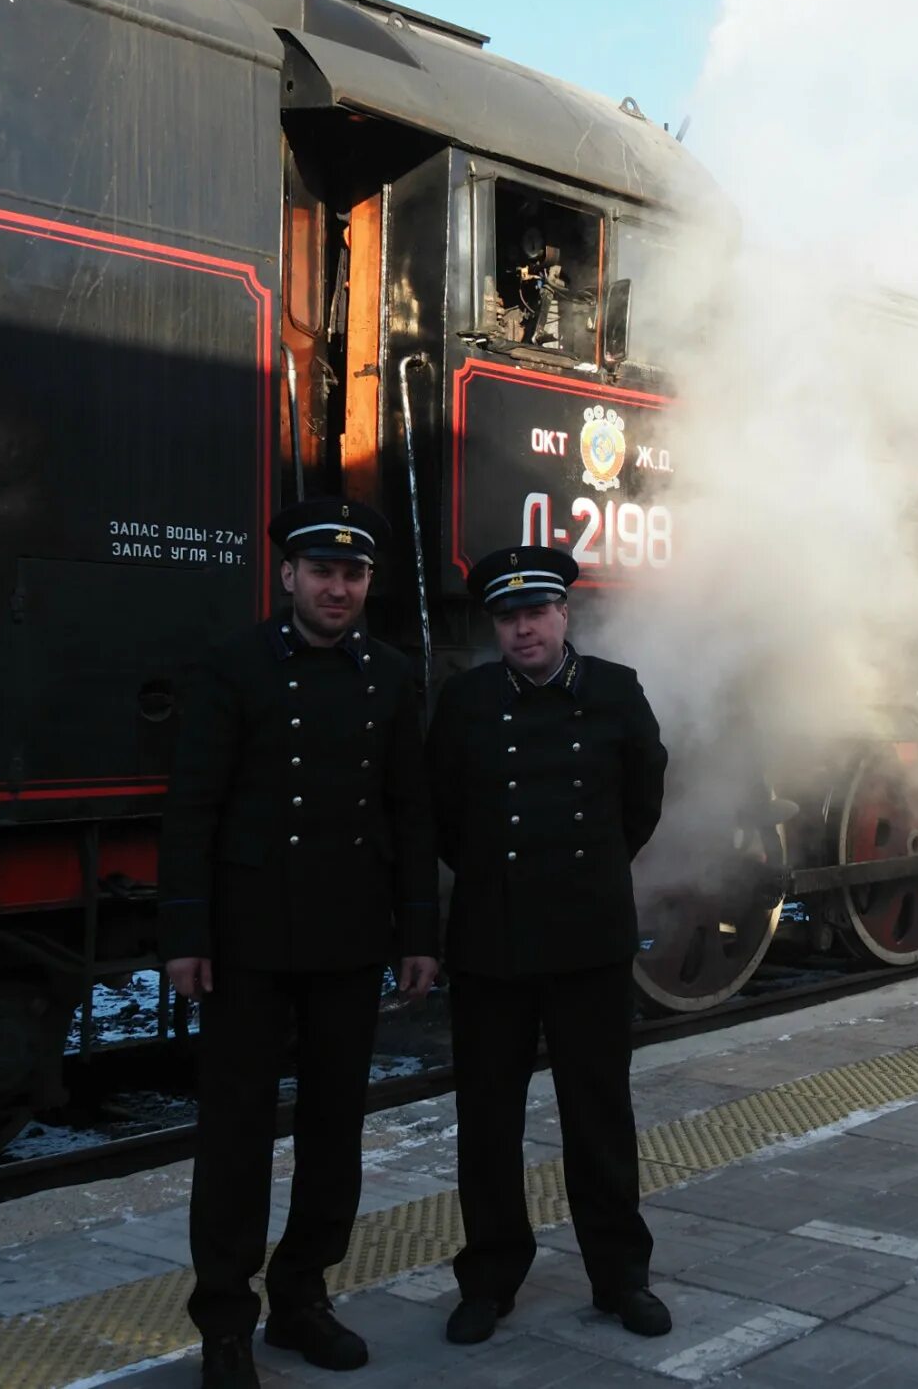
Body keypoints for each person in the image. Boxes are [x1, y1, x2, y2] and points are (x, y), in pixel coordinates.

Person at [158, 498, 440, 1389]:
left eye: (353, 574)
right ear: (288, 577)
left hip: (349, 938)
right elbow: (191, 809)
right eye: (322, 571)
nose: (338, 587)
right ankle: (224, 1323)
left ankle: (303, 1297)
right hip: (245, 941)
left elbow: (410, 812)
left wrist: (417, 933)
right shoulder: (232, 667)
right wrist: (185, 934)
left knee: (334, 1134)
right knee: (235, 1138)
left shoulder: (392, 677)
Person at [428, 545, 671, 1345]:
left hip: (588, 937)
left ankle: (620, 1276)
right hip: (491, 942)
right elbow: (447, 819)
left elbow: (641, 801)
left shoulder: (614, 691)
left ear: (566, 615)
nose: (523, 629)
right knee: (487, 1120)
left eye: (537, 613)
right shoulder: (464, 703)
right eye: (508, 617)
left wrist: (591, 872)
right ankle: (489, 1279)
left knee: (598, 1114)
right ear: (495, 625)